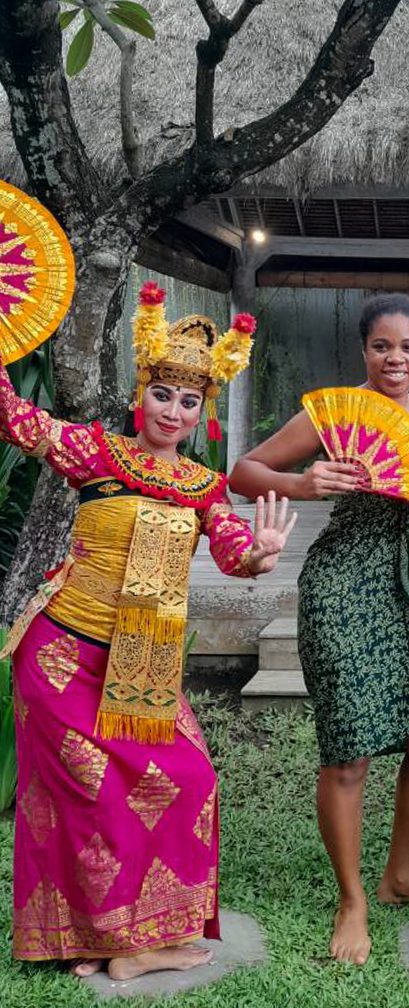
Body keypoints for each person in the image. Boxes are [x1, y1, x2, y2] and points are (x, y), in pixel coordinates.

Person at [2, 282, 295, 982]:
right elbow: (19, 420)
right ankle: (117, 946)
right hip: (62, 653)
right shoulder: (96, 452)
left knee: (189, 780)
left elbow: (231, 550)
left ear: (203, 412)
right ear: (145, 392)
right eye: (164, 394)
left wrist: (259, 554)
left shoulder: (202, 485)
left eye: (189, 402)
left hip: (145, 664)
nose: (174, 411)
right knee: (89, 796)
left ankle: (141, 932)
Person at [229, 292, 409, 967]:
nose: (396, 358)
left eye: (407, 347)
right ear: (365, 350)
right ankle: (353, 898)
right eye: (383, 346)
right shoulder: (332, 414)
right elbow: (244, 472)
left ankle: (401, 875)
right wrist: (305, 484)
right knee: (350, 749)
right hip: (343, 588)